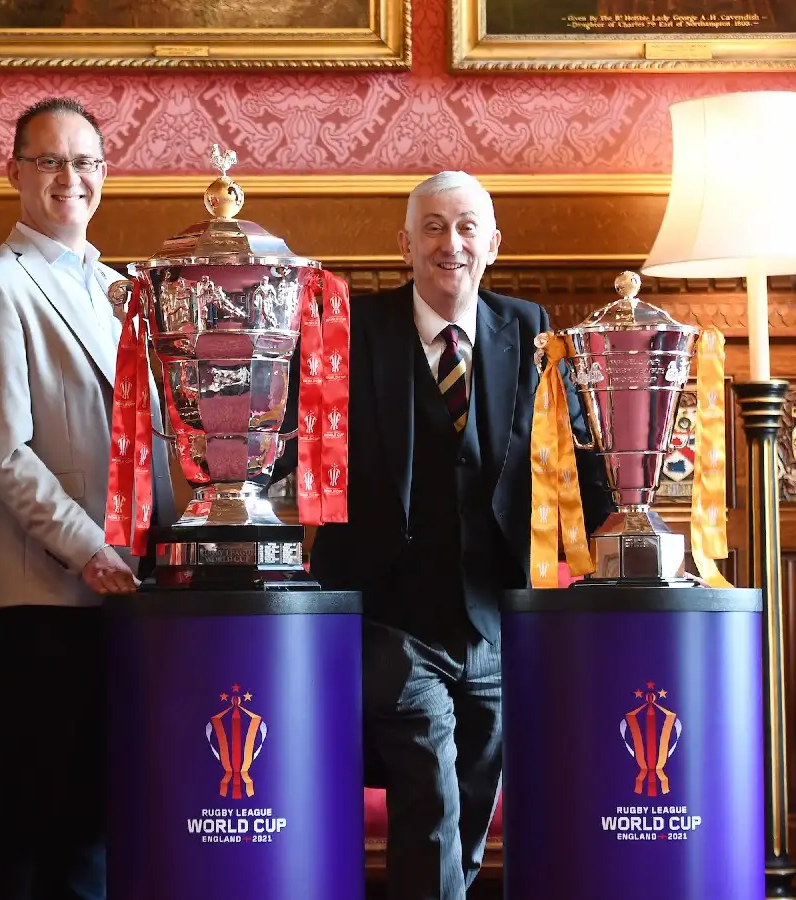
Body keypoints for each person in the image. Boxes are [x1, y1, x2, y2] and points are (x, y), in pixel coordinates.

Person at [278, 171, 613, 899]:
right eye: (431, 227)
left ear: (493, 244)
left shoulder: (530, 331)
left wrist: (623, 506)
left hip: (494, 617)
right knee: (428, 788)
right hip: (389, 616)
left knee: (470, 796)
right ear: (404, 245)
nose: (449, 243)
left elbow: (582, 462)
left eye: (466, 228)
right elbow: (290, 449)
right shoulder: (351, 333)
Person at [0, 97, 174, 900]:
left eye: (84, 162)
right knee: (27, 817)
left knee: (96, 820)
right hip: (47, 595)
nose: (68, 178)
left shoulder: (126, 294)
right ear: (14, 172)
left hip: (132, 593)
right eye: (49, 161)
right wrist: (89, 548)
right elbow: (1, 452)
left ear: (104, 176)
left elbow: (155, 445)